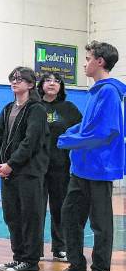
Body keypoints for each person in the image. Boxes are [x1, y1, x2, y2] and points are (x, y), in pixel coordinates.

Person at [47, 41, 125, 271]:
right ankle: (77, 269)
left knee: (101, 223)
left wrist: (69, 141)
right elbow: (87, 127)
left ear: (100, 61)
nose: (84, 63)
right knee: (70, 217)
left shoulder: (109, 93)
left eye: (88, 57)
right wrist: (70, 132)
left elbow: (105, 133)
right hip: (80, 168)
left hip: (99, 168)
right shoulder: (94, 93)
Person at [0, 67, 49, 271]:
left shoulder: (37, 110)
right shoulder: (7, 109)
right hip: (8, 173)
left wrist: (11, 164)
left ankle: (31, 261)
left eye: (20, 79)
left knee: (30, 215)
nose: (15, 82)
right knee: (12, 215)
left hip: (28, 172)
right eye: (12, 79)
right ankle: (19, 257)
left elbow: (30, 141)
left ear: (31, 84)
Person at [37, 72, 82, 261]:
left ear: (61, 86)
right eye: (48, 80)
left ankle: (60, 247)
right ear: (41, 85)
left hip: (60, 166)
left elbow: (82, 131)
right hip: (36, 167)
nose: (52, 84)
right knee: (36, 209)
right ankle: (34, 250)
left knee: (60, 208)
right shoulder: (33, 107)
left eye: (57, 81)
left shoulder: (69, 108)